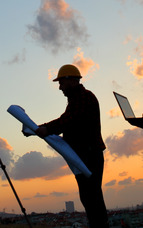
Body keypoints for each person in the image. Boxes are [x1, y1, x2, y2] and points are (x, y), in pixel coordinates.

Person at [35, 64, 109, 228]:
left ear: (71, 80)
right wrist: (41, 128)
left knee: (92, 196)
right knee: (89, 196)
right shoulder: (77, 99)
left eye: (61, 83)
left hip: (89, 154)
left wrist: (45, 129)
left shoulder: (84, 97)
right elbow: (66, 120)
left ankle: (100, 225)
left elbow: (70, 121)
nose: (60, 87)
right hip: (84, 155)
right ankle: (98, 224)